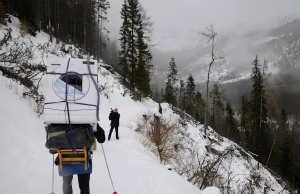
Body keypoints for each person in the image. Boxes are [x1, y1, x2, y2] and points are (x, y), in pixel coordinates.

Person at [50, 123, 106, 194]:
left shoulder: (60, 120)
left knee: (67, 184)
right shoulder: (88, 119)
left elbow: (52, 145)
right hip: (83, 162)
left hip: (65, 161)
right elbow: (102, 139)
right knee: (84, 186)